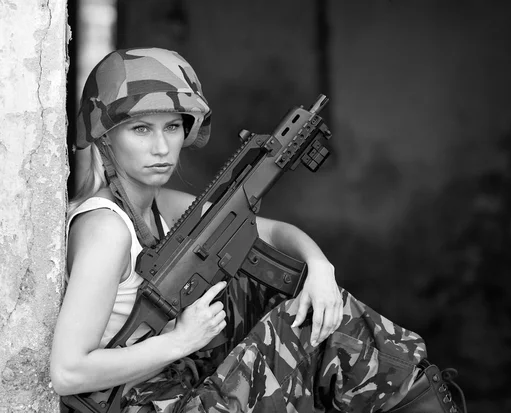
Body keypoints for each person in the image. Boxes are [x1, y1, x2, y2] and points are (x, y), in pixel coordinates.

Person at [50, 47, 465, 413]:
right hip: (145, 404)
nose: (161, 147)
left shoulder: (163, 206)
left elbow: (275, 233)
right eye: (141, 129)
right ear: (105, 138)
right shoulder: (107, 228)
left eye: (172, 127)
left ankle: (418, 391)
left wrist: (320, 269)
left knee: (305, 298)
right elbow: (67, 373)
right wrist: (181, 341)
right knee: (298, 322)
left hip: (177, 384)